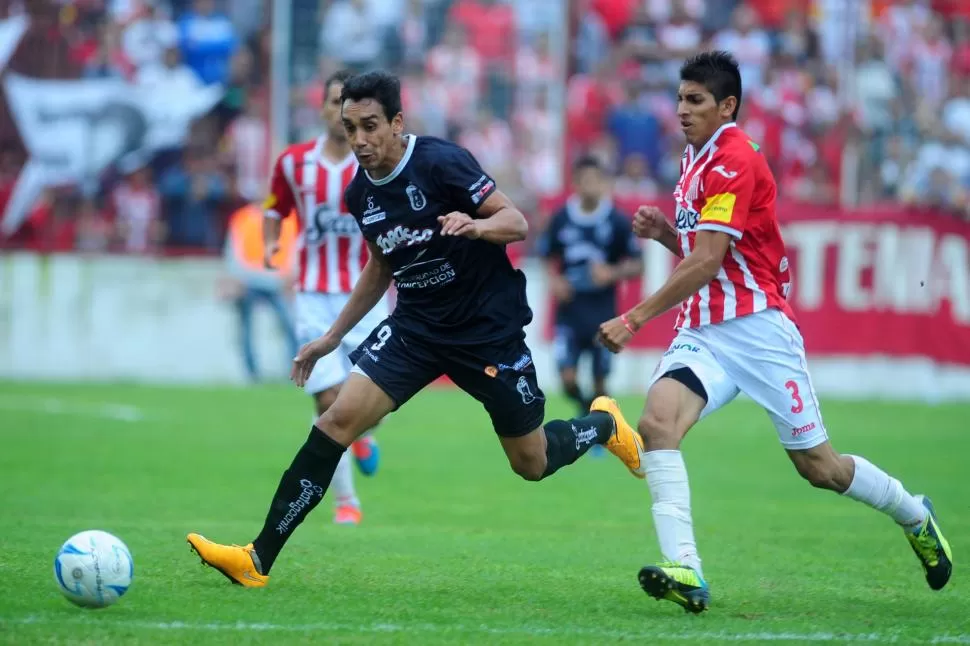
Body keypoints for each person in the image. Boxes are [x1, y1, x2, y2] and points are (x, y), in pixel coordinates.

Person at [186, 70, 646, 587]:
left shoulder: (439, 161)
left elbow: (516, 222)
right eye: (350, 127)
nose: (359, 140)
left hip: (485, 331)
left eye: (370, 126)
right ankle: (257, 558)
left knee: (531, 462)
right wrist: (333, 337)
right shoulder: (360, 194)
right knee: (334, 423)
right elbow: (380, 266)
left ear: (397, 121)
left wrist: (476, 225)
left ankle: (603, 425)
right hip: (416, 331)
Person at [596, 50, 952, 614]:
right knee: (657, 423)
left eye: (695, 101)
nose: (682, 110)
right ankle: (686, 569)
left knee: (821, 468)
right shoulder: (696, 157)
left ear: (727, 106)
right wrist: (669, 234)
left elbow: (711, 261)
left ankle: (914, 513)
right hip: (706, 330)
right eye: (680, 99)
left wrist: (636, 316)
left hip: (759, 330)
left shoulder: (735, 158)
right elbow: (710, 254)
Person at [260, 69, 381, 527]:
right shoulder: (294, 163)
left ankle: (367, 435)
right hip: (312, 297)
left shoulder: (374, 161)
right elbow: (275, 208)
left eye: (347, 103)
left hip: (367, 297)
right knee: (330, 402)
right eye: (333, 102)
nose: (339, 111)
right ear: (324, 107)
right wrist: (273, 242)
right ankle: (346, 501)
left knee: (375, 399)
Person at [537, 155, 643, 421]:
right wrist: (555, 281)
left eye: (596, 181)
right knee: (567, 380)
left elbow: (638, 264)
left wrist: (612, 272)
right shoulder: (561, 218)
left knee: (600, 384)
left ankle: (600, 431)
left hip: (602, 311)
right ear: (575, 183)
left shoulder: (616, 221)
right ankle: (587, 412)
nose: (590, 187)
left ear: (604, 183)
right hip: (569, 309)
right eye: (585, 181)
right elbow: (544, 256)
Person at [220, 202, 299, 383]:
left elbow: (296, 246)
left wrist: (292, 275)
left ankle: (294, 371)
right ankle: (251, 372)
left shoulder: (289, 217)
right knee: (246, 328)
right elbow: (233, 249)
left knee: (289, 325)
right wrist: (235, 276)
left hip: (278, 281)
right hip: (248, 280)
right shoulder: (243, 217)